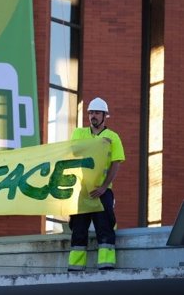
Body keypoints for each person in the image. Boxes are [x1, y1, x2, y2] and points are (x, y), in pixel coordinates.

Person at [67, 97, 125, 271]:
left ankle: (106, 265)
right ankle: (75, 267)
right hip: (82, 191)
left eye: (97, 113)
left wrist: (104, 187)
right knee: (78, 229)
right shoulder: (79, 133)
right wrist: (98, 144)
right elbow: (74, 151)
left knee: (105, 227)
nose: (93, 116)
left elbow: (116, 163)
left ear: (105, 115)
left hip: (102, 191)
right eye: (91, 112)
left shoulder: (113, 137)